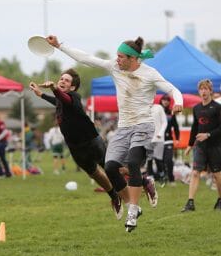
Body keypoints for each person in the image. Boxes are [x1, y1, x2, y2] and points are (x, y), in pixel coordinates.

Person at [45, 35, 183, 232]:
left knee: (134, 162)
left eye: (120, 56)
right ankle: (146, 183)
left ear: (132, 58)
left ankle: (133, 211)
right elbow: (87, 58)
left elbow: (172, 89)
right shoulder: (115, 68)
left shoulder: (150, 73)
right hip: (124, 127)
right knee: (110, 167)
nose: (116, 59)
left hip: (143, 125)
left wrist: (179, 102)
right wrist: (59, 45)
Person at [29, 68, 123, 219]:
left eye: (66, 80)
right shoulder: (60, 100)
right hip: (75, 147)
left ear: (72, 87)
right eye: (61, 79)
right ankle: (114, 196)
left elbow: (64, 99)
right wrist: (40, 94)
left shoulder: (74, 97)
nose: (62, 81)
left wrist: (54, 88)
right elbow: (57, 100)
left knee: (111, 168)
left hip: (91, 141)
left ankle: (142, 179)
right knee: (94, 174)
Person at [181, 79, 221, 212]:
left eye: (206, 89)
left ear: (210, 91)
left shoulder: (217, 107)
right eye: (201, 89)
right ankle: (190, 202)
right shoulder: (196, 108)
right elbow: (195, 127)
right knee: (195, 173)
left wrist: (208, 135)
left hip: (215, 146)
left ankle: (220, 200)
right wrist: (190, 144)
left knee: (217, 175)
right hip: (200, 147)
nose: (203, 91)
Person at [160, 94, 180, 186]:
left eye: (167, 100)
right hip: (158, 140)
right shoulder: (156, 111)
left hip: (169, 140)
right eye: (164, 99)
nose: (165, 101)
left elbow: (175, 126)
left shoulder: (171, 113)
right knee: (160, 161)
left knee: (168, 160)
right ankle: (164, 178)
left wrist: (177, 138)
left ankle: (171, 179)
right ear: (161, 100)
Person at [147, 104, 167, 187]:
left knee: (158, 159)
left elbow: (164, 122)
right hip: (147, 138)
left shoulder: (158, 108)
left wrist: (160, 133)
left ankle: (162, 177)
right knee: (149, 159)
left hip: (158, 138)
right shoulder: (142, 108)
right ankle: (150, 179)